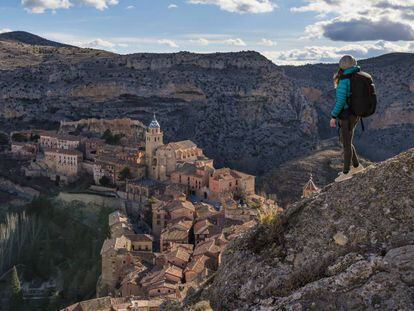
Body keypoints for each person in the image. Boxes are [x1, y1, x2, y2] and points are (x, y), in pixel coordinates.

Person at [330, 55, 365, 182]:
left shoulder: (344, 80)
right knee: (347, 141)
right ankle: (356, 166)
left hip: (346, 116)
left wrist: (333, 116)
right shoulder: (358, 76)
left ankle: (346, 172)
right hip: (355, 114)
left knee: (346, 144)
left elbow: (340, 102)